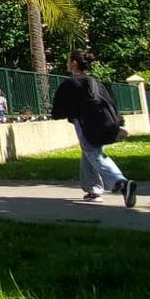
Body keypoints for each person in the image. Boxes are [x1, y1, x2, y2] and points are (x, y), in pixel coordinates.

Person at [50, 50, 137, 207]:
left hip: (84, 124)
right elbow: (111, 103)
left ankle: (121, 183)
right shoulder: (96, 82)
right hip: (102, 123)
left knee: (93, 153)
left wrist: (61, 114)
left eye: (68, 60)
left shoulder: (71, 83)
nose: (67, 63)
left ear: (74, 63)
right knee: (89, 153)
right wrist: (119, 123)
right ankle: (93, 191)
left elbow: (58, 110)